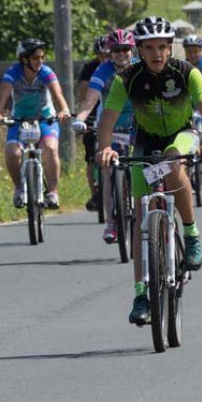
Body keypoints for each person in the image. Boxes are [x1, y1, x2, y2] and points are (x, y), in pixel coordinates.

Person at [95, 16, 202, 325]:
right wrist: (105, 147)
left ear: (170, 47)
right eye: (149, 48)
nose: (156, 54)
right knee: (140, 218)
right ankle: (140, 294)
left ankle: (191, 234)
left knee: (174, 159)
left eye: (162, 47)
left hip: (182, 134)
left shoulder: (186, 72)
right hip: (145, 141)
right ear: (138, 49)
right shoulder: (127, 79)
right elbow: (108, 118)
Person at [0, 38, 72, 209]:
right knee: (13, 152)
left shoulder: (46, 72)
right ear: (24, 59)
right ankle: (19, 188)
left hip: (44, 118)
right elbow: (2, 96)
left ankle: (53, 192)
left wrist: (63, 109)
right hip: (20, 119)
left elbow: (58, 94)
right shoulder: (13, 72)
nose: (40, 61)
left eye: (42, 57)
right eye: (35, 58)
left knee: (50, 148)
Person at [72, 29, 136, 243]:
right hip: (110, 122)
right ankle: (111, 223)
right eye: (116, 50)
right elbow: (90, 100)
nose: (121, 54)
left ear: (132, 50)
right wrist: (80, 118)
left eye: (125, 49)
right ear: (110, 52)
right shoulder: (103, 70)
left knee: (145, 164)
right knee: (108, 170)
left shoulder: (140, 67)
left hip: (137, 121)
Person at [78, 35, 112, 211]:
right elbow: (84, 95)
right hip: (94, 110)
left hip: (116, 112)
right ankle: (94, 194)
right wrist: (82, 117)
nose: (104, 59)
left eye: (108, 54)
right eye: (101, 55)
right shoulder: (91, 68)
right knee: (91, 155)